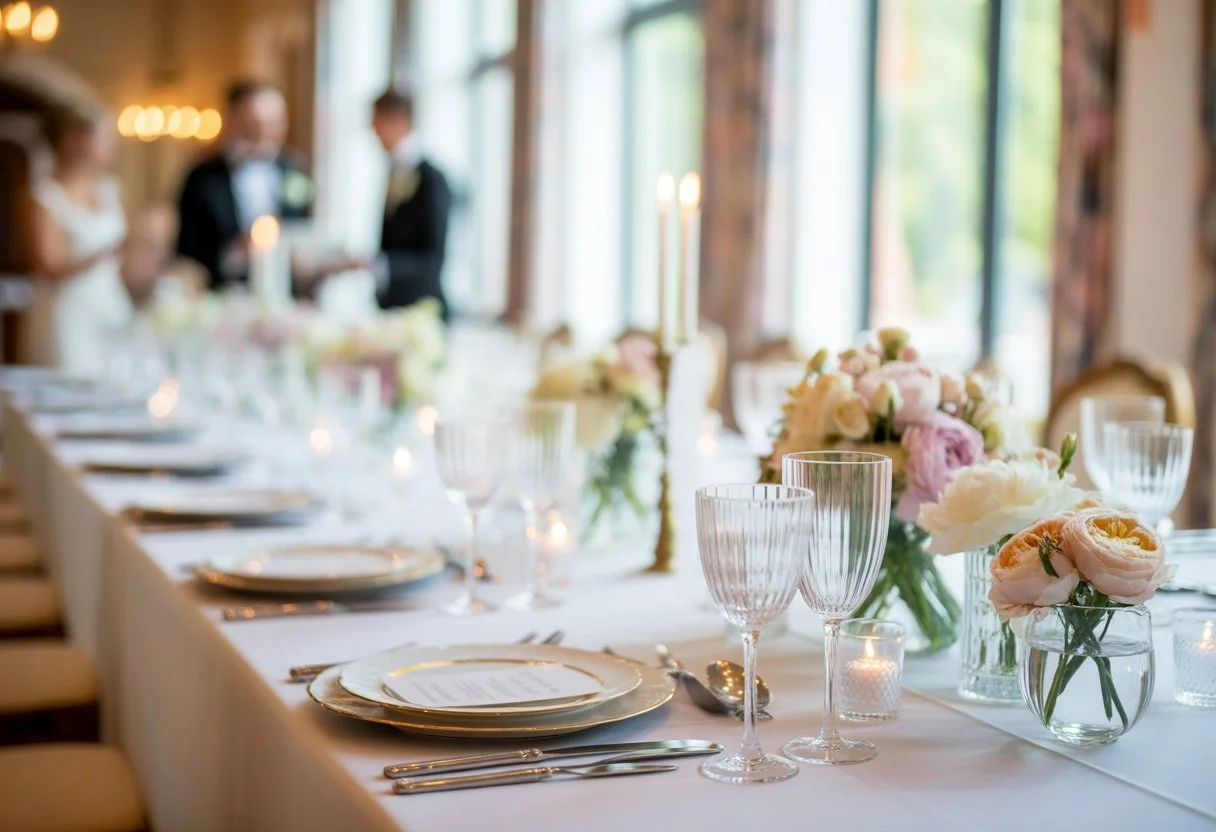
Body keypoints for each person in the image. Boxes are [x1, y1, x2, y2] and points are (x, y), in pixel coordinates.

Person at [27, 104, 143, 376]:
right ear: (73, 140)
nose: (111, 147)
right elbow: (50, 268)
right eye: (103, 138)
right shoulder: (47, 196)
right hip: (69, 312)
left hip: (111, 306)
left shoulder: (111, 190)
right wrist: (106, 252)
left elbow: (127, 253)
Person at [175, 79, 312, 291]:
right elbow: (186, 251)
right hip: (221, 296)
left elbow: (305, 227)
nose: (266, 132)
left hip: (286, 293)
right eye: (256, 123)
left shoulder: (295, 170)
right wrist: (232, 254)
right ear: (233, 119)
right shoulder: (202, 177)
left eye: (275, 122)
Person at [367, 88, 451, 318]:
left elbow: (433, 260)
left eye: (377, 123)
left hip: (422, 312)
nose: (373, 132)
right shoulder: (392, 173)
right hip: (391, 309)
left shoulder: (432, 180)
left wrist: (377, 264)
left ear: (397, 121)